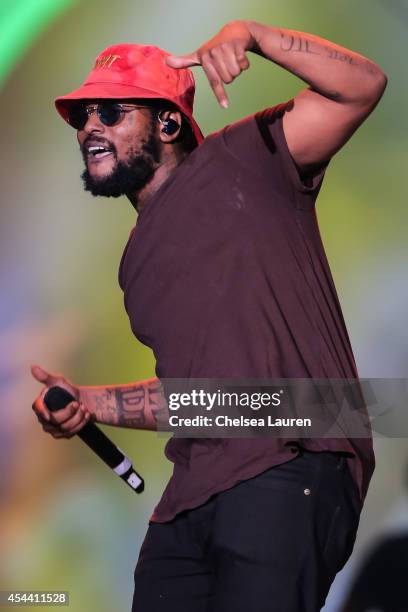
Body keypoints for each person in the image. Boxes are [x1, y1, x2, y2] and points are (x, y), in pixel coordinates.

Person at [31, 20, 387, 612]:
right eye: (83, 114)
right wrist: (90, 403)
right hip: (189, 497)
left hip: (287, 466)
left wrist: (253, 35)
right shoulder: (136, 267)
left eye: (112, 110)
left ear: (168, 121)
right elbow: (196, 396)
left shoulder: (245, 157)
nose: (91, 124)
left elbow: (361, 86)